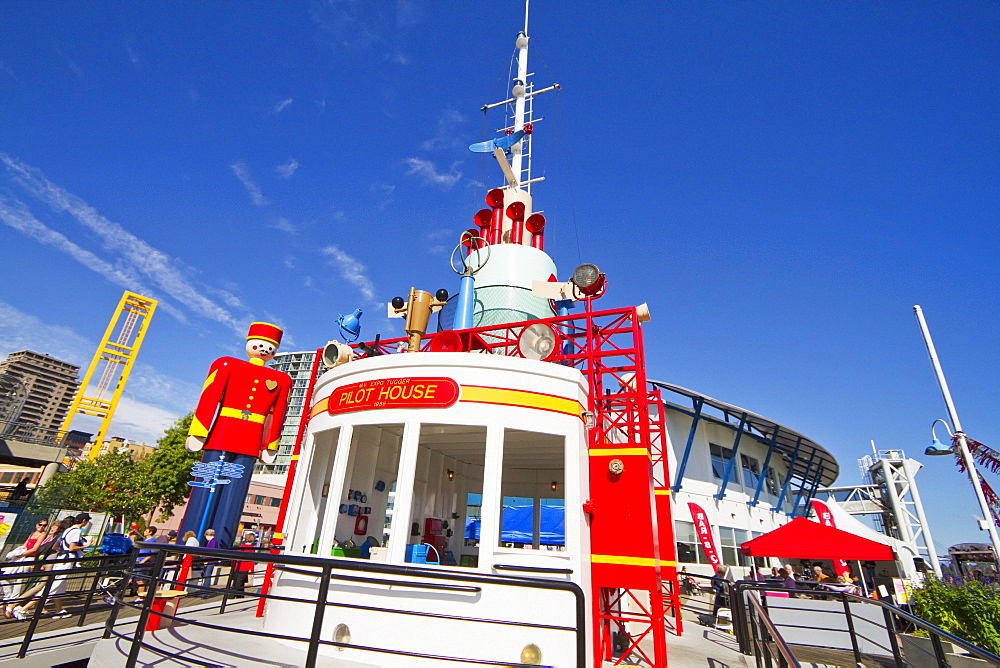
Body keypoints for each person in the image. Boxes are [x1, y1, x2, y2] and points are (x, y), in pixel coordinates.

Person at [178, 323, 292, 549]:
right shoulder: (226, 365)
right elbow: (209, 397)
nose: (264, 350)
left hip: (250, 440)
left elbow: (278, 414)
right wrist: (199, 431)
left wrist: (270, 444)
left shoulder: (282, 380)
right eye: (261, 345)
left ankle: (220, 545)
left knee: (234, 492)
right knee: (206, 484)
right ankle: (189, 540)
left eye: (270, 347)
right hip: (222, 431)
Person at [194, 529, 219, 598]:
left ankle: (204, 592)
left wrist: (206, 560)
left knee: (207, 576)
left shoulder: (212, 542)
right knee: (206, 575)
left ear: (208, 535)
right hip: (210, 561)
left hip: (210, 561)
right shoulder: (213, 541)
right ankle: (204, 591)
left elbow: (211, 552)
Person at [231, 533, 257, 598]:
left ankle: (240, 596)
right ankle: (232, 596)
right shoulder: (252, 548)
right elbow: (251, 561)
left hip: (237, 567)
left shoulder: (240, 547)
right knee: (239, 583)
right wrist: (252, 571)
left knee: (237, 582)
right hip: (245, 568)